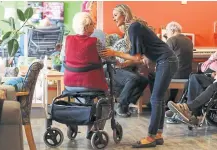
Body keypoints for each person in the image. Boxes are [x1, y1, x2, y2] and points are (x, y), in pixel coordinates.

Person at [99, 4, 178, 148]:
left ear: (124, 14)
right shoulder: (135, 27)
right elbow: (141, 54)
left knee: (155, 98)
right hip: (164, 61)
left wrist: (114, 53)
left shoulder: (134, 27)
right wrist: (126, 62)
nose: (113, 18)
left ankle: (151, 137)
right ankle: (158, 135)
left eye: (115, 15)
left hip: (166, 61)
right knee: (158, 99)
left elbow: (135, 57)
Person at [63, 12, 108, 140]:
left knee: (82, 99)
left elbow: (63, 58)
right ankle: (95, 129)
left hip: (70, 84)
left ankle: (73, 121)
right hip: (91, 84)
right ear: (87, 26)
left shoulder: (67, 40)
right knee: (106, 101)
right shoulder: (96, 42)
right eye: (92, 25)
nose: (94, 27)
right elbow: (108, 57)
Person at [109, 26, 148, 117]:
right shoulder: (122, 44)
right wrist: (136, 60)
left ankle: (127, 103)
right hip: (116, 70)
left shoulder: (138, 45)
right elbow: (121, 63)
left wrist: (137, 61)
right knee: (133, 78)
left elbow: (141, 60)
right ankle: (122, 105)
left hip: (128, 71)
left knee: (144, 80)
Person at [165, 21, 193, 103]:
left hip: (175, 74)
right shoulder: (189, 40)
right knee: (175, 68)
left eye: (167, 32)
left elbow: (165, 56)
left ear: (172, 31)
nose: (167, 34)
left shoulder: (171, 40)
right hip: (188, 74)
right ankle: (172, 100)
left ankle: (156, 101)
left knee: (153, 75)